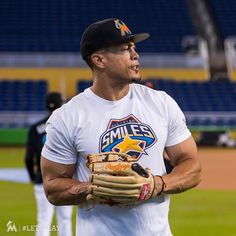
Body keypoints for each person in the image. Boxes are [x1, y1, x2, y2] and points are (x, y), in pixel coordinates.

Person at [41, 18, 201, 236]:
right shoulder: (68, 117)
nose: (135, 55)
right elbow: (52, 187)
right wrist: (93, 189)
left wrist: (156, 184)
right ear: (99, 60)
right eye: (125, 49)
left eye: (134, 48)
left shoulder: (161, 103)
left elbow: (192, 166)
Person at [25, 92, 73, 236]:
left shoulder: (35, 128)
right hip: (65, 179)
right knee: (65, 220)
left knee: (44, 220)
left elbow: (28, 158)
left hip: (43, 180)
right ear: (61, 104)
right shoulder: (69, 125)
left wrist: (33, 177)